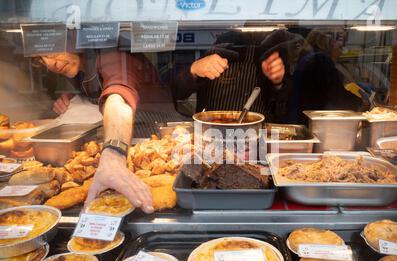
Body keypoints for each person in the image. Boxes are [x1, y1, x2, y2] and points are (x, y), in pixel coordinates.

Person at [32, 49, 156, 213]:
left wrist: (113, 157)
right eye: (42, 58)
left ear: (76, 39)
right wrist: (71, 96)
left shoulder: (112, 54)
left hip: (150, 125)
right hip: (128, 132)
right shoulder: (77, 65)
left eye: (54, 52)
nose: (50, 64)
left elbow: (118, 98)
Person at [171, 30, 303, 123]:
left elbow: (286, 109)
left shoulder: (277, 53)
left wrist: (278, 83)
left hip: (255, 140)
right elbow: (176, 92)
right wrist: (193, 70)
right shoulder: (219, 49)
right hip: (211, 136)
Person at [285, 29, 363, 124]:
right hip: (307, 121)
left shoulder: (308, 57)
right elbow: (337, 95)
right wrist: (359, 103)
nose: (341, 50)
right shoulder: (321, 60)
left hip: (299, 115)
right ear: (328, 43)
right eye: (339, 45)